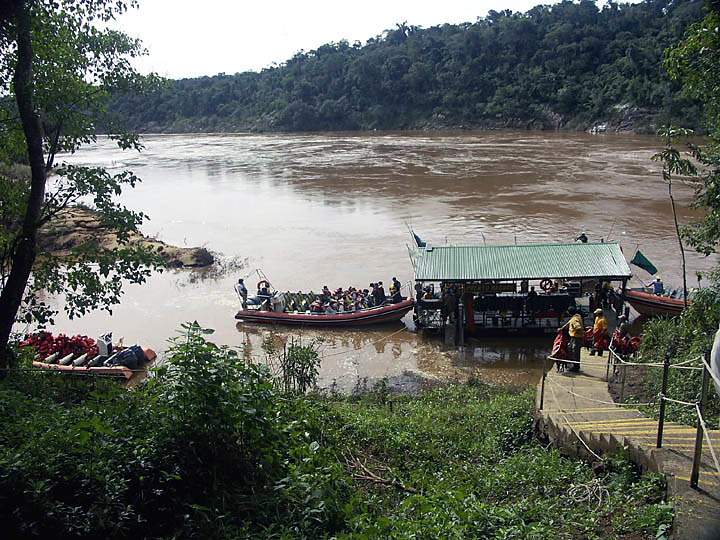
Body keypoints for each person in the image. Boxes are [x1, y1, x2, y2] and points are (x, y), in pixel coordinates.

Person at [566, 306, 584, 371]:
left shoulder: (574, 319)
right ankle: (574, 364)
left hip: (576, 338)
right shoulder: (577, 316)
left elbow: (578, 327)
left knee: (575, 352)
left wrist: (577, 333)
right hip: (575, 337)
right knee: (571, 349)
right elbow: (569, 322)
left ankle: (576, 367)